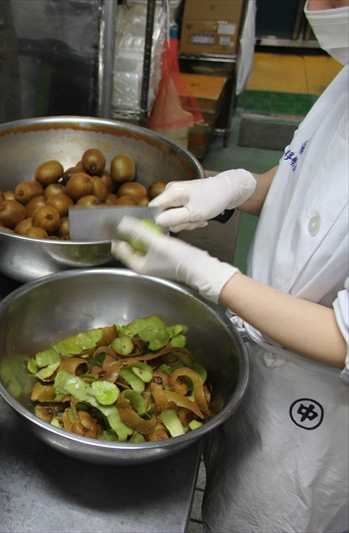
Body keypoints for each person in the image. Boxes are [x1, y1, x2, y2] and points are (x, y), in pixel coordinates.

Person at [112, 1, 348, 531]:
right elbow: (309, 182)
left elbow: (344, 338)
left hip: (320, 416)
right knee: (225, 487)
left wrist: (212, 276)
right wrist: (238, 188)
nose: (316, 7)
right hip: (260, 350)